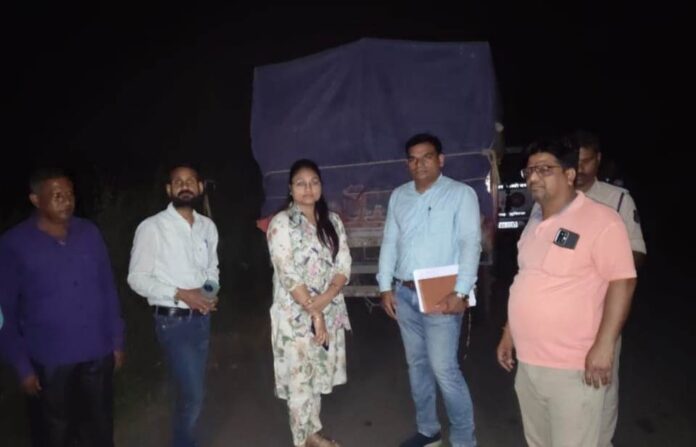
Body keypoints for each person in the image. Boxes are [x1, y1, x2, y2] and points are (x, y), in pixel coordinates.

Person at [496, 138, 637, 447]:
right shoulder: (535, 219)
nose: (533, 177)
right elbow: (527, 279)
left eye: (545, 169)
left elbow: (622, 282)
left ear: (570, 174)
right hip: (530, 363)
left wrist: (604, 346)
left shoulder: (602, 220)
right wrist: (509, 332)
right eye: (530, 170)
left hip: (574, 366)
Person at [0, 167, 124, 447]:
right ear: (36, 199)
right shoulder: (14, 245)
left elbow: (108, 288)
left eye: (70, 194)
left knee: (100, 430)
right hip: (50, 362)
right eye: (57, 195)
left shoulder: (89, 233)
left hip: (97, 353)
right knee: (54, 435)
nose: (66, 200)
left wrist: (116, 339)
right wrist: (22, 366)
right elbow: (4, 311)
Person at [377, 133, 481, 447]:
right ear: (407, 163)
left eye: (427, 157)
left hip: (442, 291)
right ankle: (428, 431)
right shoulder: (399, 196)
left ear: (440, 160)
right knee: (417, 366)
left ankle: (463, 439)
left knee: (444, 369)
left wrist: (461, 291)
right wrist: (385, 286)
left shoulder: (460, 194)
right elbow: (390, 241)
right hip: (405, 292)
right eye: (413, 158)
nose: (419, 164)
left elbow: (470, 243)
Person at [127, 163, 219, 447]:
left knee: (189, 392)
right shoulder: (152, 227)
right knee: (193, 394)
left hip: (201, 320)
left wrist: (208, 294)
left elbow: (212, 270)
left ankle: (184, 438)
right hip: (172, 322)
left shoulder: (207, 227)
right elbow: (136, 278)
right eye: (178, 181)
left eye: (190, 180)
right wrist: (181, 294)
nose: (184, 185)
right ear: (169, 189)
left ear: (200, 187)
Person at [266, 159, 352, 447]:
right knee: (300, 380)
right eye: (300, 183)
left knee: (315, 376)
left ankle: (312, 433)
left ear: (321, 186)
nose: (308, 188)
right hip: (295, 316)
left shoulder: (333, 221)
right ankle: (303, 441)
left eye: (314, 182)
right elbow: (287, 271)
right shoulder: (281, 223)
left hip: (328, 309)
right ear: (290, 188)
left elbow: (344, 264)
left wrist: (325, 301)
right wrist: (315, 313)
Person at [572, 130, 647, 446]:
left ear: (598, 160)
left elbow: (637, 253)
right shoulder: (554, 200)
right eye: (574, 162)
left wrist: (601, 266)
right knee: (567, 387)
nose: (579, 169)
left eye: (586, 161)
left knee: (601, 382)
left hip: (602, 309)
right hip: (564, 312)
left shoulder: (617, 200)